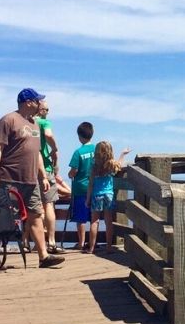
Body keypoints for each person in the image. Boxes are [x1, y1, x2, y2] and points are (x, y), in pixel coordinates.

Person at [0, 88, 64, 270]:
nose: (40, 104)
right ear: (28, 102)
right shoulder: (9, 120)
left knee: (36, 216)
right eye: (38, 101)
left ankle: (43, 256)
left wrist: (43, 176)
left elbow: (37, 153)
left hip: (31, 181)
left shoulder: (36, 124)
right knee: (1, 218)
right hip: (9, 178)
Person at [86, 141, 130, 253]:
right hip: (109, 195)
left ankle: (91, 248)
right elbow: (119, 165)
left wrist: (87, 199)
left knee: (94, 222)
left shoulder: (94, 165)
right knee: (108, 221)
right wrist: (123, 154)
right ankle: (109, 247)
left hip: (97, 195)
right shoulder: (111, 164)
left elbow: (90, 184)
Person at [35, 100, 63, 254]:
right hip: (45, 168)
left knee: (32, 206)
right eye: (46, 109)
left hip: (29, 169)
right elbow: (48, 135)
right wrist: (55, 147)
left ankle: (31, 242)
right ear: (41, 110)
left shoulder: (28, 122)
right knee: (48, 204)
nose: (47, 112)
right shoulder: (44, 123)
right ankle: (51, 241)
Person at [67, 122, 95, 251]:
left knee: (81, 218)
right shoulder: (97, 149)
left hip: (80, 189)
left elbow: (74, 171)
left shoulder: (78, 152)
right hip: (95, 188)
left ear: (79, 136)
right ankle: (92, 243)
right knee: (93, 218)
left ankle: (81, 242)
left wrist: (69, 174)